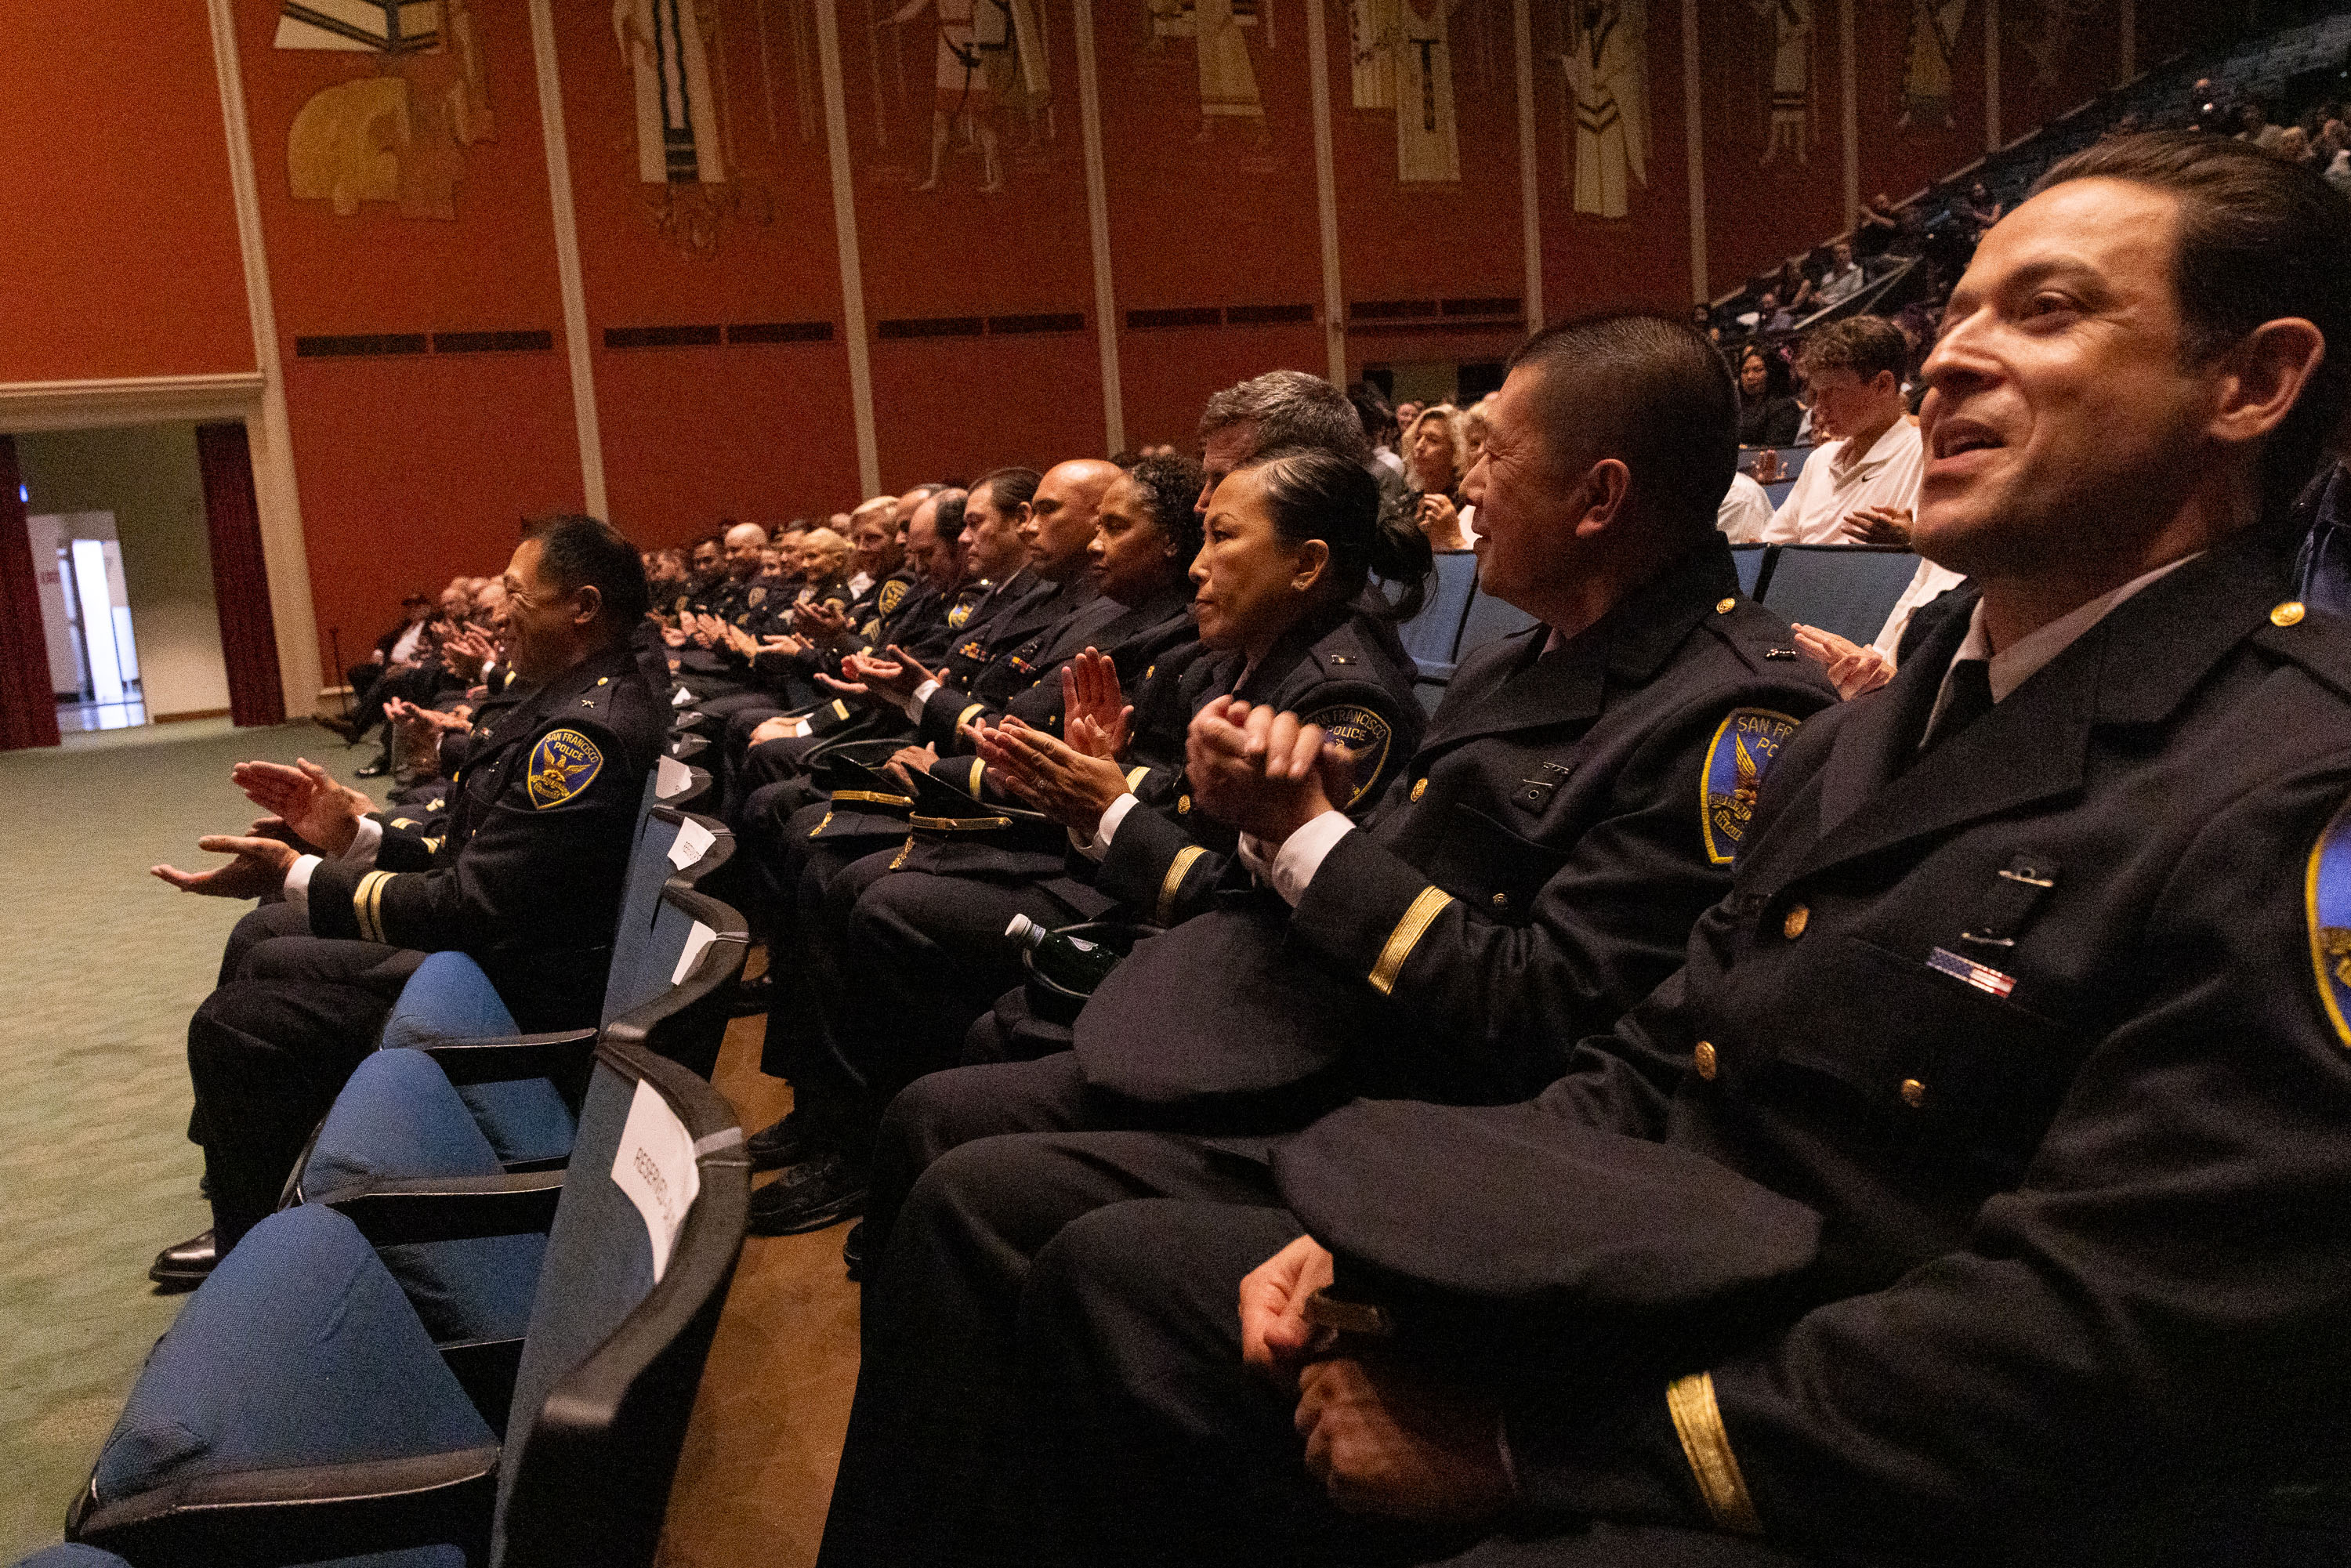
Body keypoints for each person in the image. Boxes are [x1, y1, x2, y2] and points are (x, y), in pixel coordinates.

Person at [909, 130, 2351, 1568]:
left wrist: (1540, 1455)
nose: (1950, 361)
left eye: (2043, 313)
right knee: (1125, 1288)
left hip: (1891, 1454)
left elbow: (2105, 1337)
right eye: (1959, 310)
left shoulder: (2300, 789)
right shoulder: (1871, 734)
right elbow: (1661, 1057)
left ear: (2254, 383)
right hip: (1680, 1275)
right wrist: (1398, 1240)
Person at [818, 313, 1845, 1565]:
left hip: (1451, 1112)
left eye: (1495, 454)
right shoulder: (1518, 666)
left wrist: (1298, 831)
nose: (1460, 481)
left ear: (1599, 497)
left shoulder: (1731, 713)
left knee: (1006, 1205)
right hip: (1342, 1040)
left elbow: (1548, 1016)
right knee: (965, 1162)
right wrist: (1269, 828)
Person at [147, 514, 664, 1284]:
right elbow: (473, 856)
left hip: (516, 1000)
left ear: (583, 606)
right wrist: (349, 832)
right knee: (263, 940)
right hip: (495, 959)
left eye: (516, 595)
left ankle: (251, 1246)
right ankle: (245, 1178)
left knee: (239, 1021)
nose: (498, 614)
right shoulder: (563, 700)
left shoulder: (582, 736)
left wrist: (296, 872)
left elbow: (471, 905)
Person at [1759, 315, 1924, 544]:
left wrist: (1913, 540)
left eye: (1833, 391)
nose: (1819, 407)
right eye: (1817, 393)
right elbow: (1772, 547)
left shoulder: (1923, 452)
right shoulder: (1820, 459)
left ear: (1883, 385)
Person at [1396, 404, 1473, 551]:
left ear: (1455, 449)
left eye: (1432, 440)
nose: (1419, 446)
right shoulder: (1407, 502)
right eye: (1417, 438)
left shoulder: (1467, 504)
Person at [1735, 346, 1802, 447]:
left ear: (1771, 372)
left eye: (1757, 370)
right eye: (1745, 371)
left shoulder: (1785, 406)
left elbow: (1776, 448)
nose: (1749, 376)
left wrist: (1744, 449)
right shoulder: (1736, 408)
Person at [1814, 239, 1865, 306]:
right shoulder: (1827, 277)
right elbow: (1821, 296)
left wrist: (1825, 301)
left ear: (1850, 254)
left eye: (1844, 252)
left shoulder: (1857, 271)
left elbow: (1854, 296)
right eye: (1837, 253)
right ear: (1833, 257)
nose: (1840, 256)